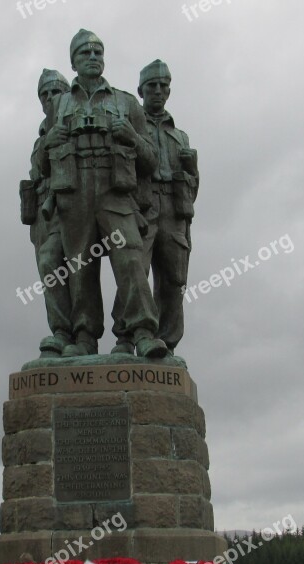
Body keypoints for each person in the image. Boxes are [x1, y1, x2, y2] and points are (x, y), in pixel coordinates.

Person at [36, 30, 168, 358]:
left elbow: (151, 161)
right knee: (79, 269)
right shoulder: (59, 104)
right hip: (74, 192)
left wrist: (133, 139)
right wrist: (50, 143)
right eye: (85, 54)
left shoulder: (126, 102)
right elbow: (40, 165)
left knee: (131, 260)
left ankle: (142, 332)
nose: (93, 58)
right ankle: (84, 336)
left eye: (97, 52)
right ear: (74, 62)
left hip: (114, 193)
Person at [112, 60, 199, 355]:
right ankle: (125, 336)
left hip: (175, 211)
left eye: (164, 86)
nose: (158, 91)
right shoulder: (132, 124)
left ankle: (166, 343)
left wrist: (192, 169)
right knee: (134, 269)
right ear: (140, 90)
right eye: (152, 86)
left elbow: (194, 187)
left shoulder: (180, 136)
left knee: (174, 281)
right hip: (142, 206)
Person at [20, 69, 76, 357]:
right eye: (45, 94)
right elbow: (38, 171)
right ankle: (61, 331)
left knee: (78, 270)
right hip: (45, 212)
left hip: (75, 205)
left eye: (56, 92)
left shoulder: (77, 122)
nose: (50, 98)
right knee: (49, 266)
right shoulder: (41, 136)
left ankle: (82, 335)